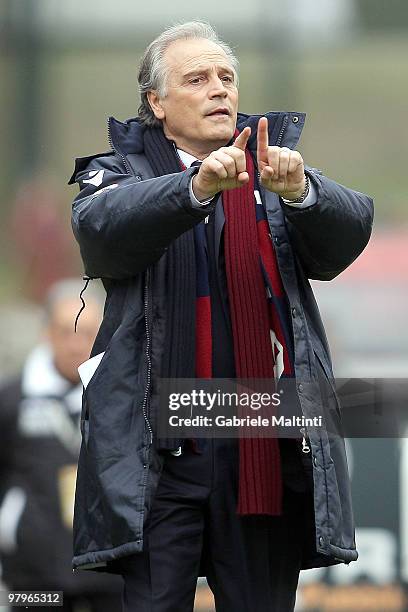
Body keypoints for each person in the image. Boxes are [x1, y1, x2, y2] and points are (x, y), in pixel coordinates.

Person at [69, 21, 373, 612]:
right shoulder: (118, 172)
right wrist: (194, 188)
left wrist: (303, 191)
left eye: (227, 77)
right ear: (156, 103)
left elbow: (351, 230)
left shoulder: (273, 171)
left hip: (260, 444)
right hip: (158, 456)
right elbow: (103, 230)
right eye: (198, 78)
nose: (220, 90)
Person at [0, 279, 123, 612]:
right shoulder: (11, 400)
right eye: (65, 332)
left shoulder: (128, 400)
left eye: (87, 332)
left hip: (113, 575)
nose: (76, 344)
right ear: (45, 333)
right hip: (31, 578)